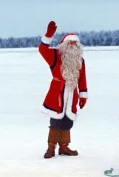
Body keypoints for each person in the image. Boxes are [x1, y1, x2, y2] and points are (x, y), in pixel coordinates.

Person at [38, 21, 88, 159]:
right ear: (64, 45)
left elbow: (82, 78)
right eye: (69, 43)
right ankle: (50, 147)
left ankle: (64, 147)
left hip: (72, 93)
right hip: (56, 94)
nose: (72, 46)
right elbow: (42, 49)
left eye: (75, 44)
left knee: (68, 121)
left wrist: (83, 95)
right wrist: (48, 35)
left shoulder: (80, 61)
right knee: (55, 121)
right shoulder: (55, 55)